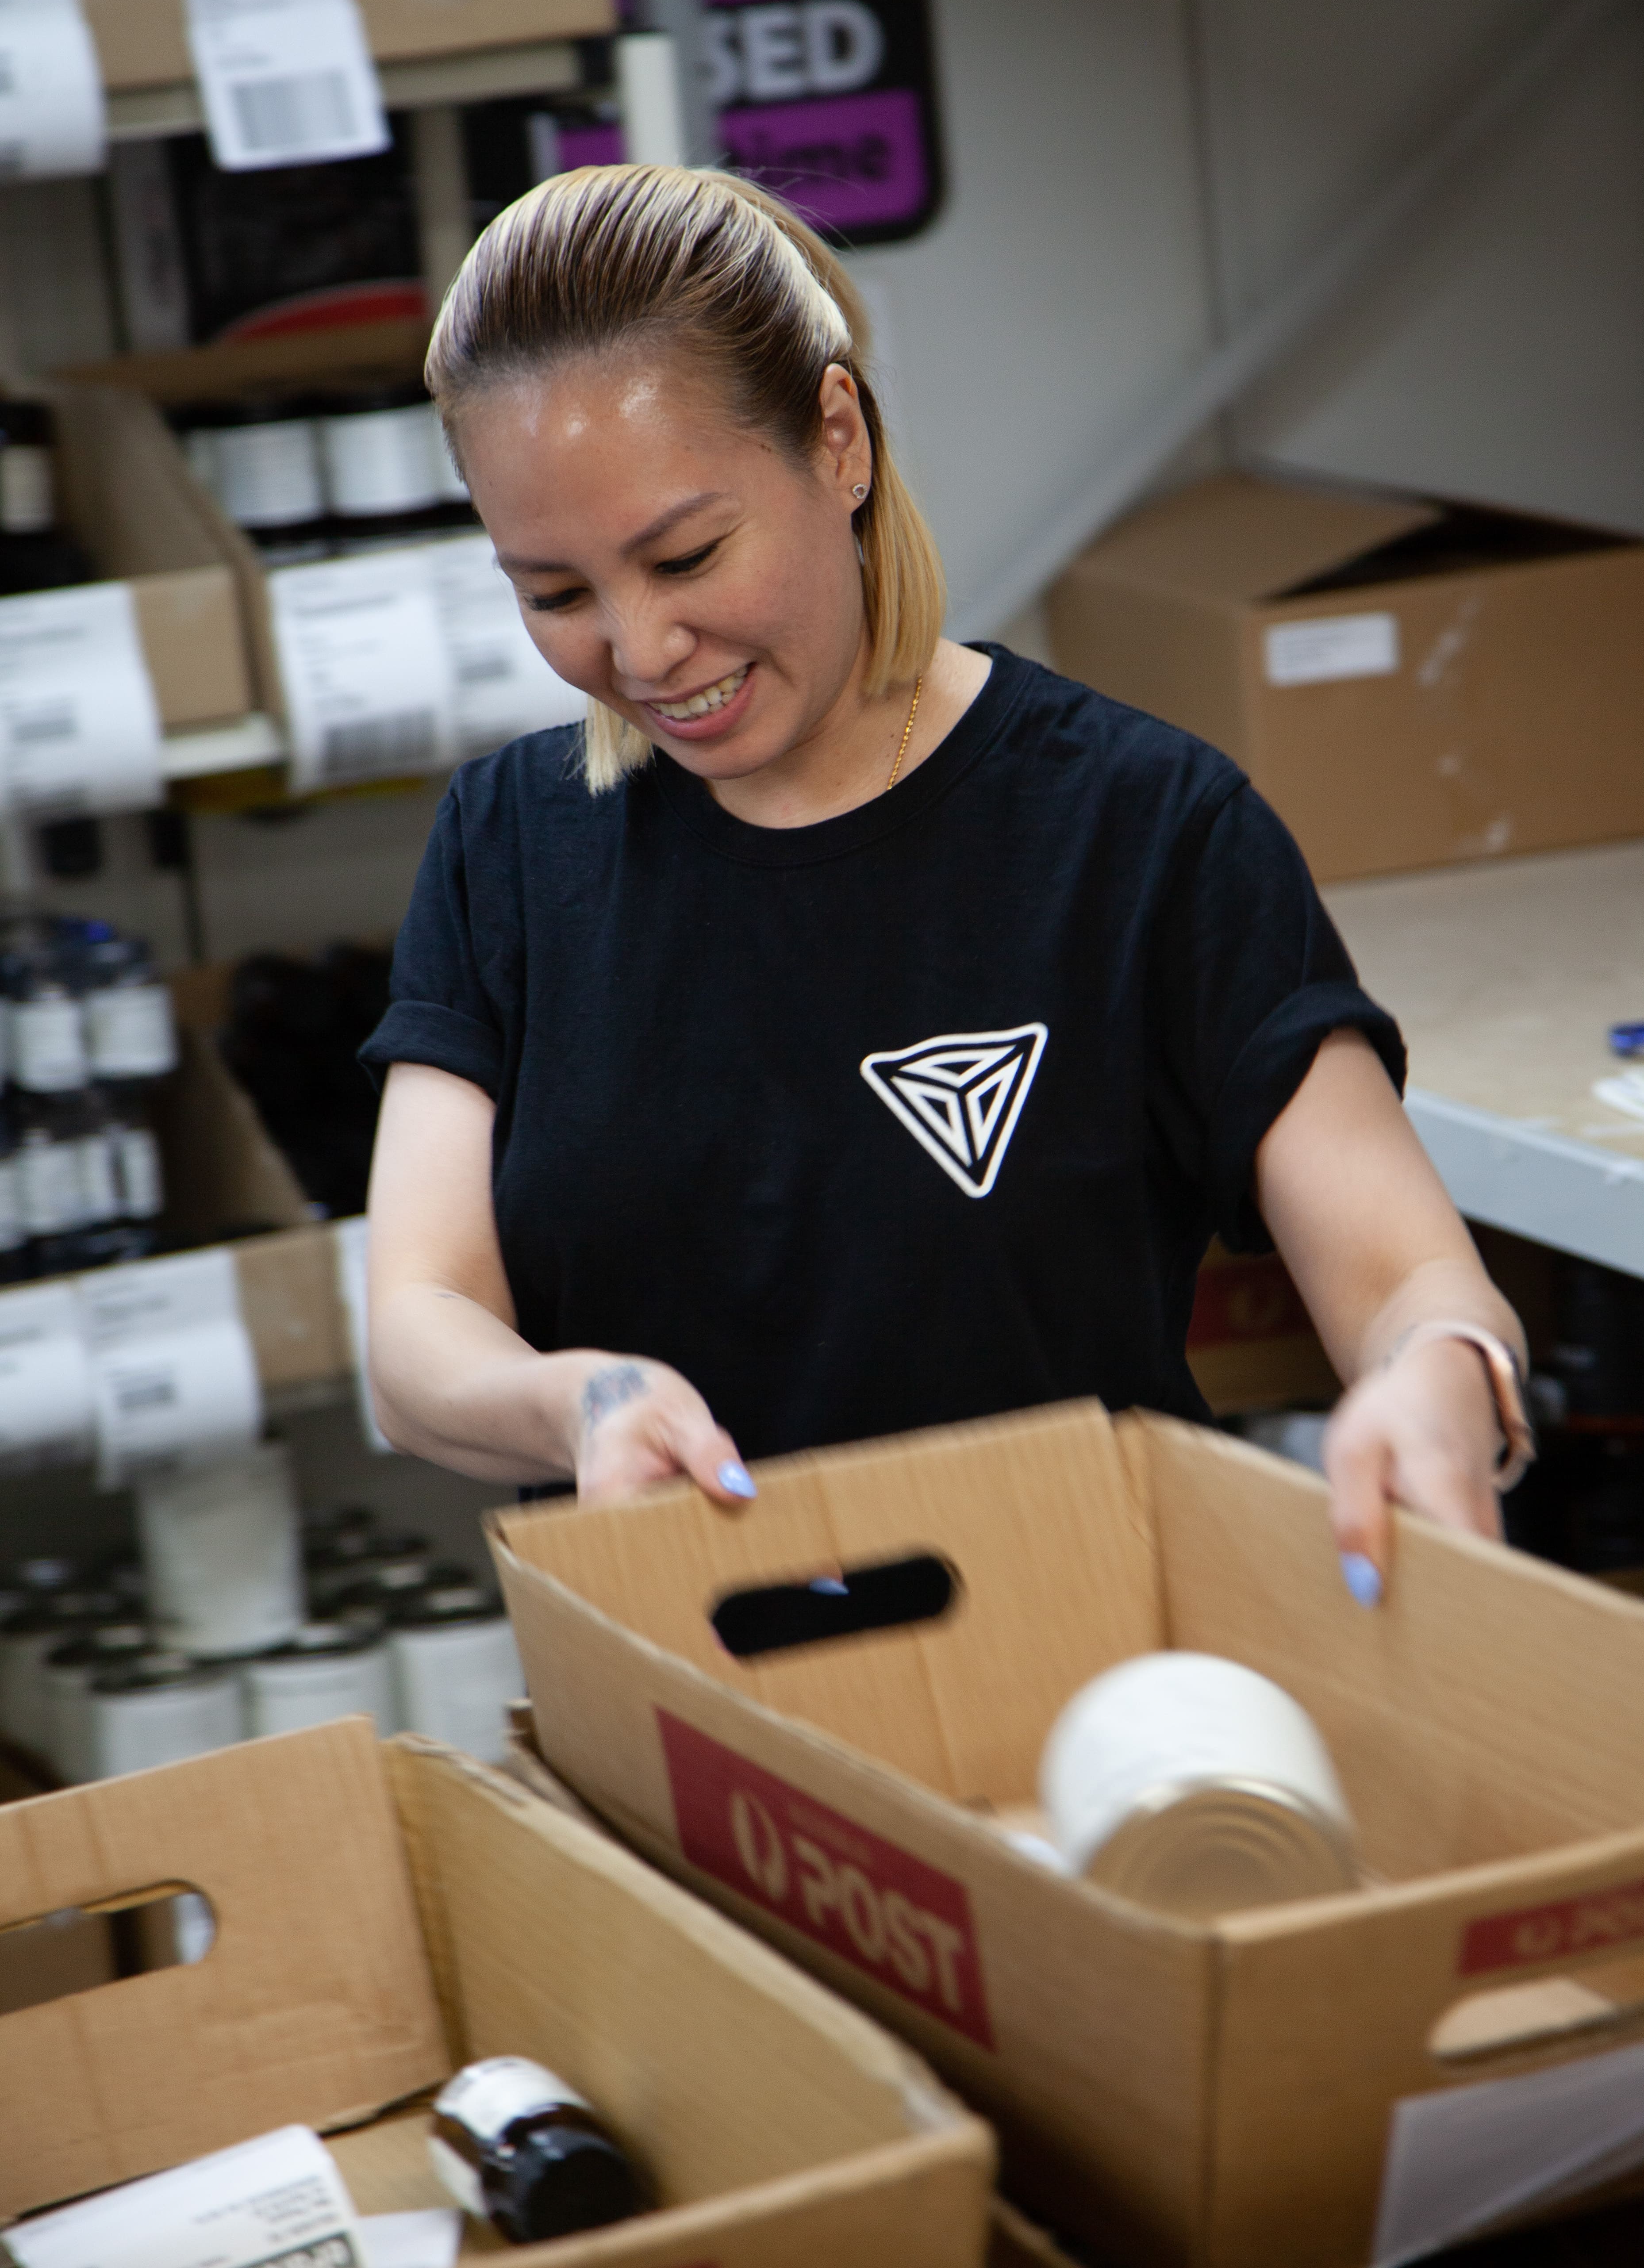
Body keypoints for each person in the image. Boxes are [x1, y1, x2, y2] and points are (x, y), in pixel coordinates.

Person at [362, 163, 1532, 1604]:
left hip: (1086, 1712)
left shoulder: (1143, 830)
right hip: (688, 1719)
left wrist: (1444, 1379)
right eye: (554, 593)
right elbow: (420, 1327)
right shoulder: (507, 851)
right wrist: (576, 1403)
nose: (642, 644)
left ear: (837, 441)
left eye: (687, 554)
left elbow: (1408, 1278)